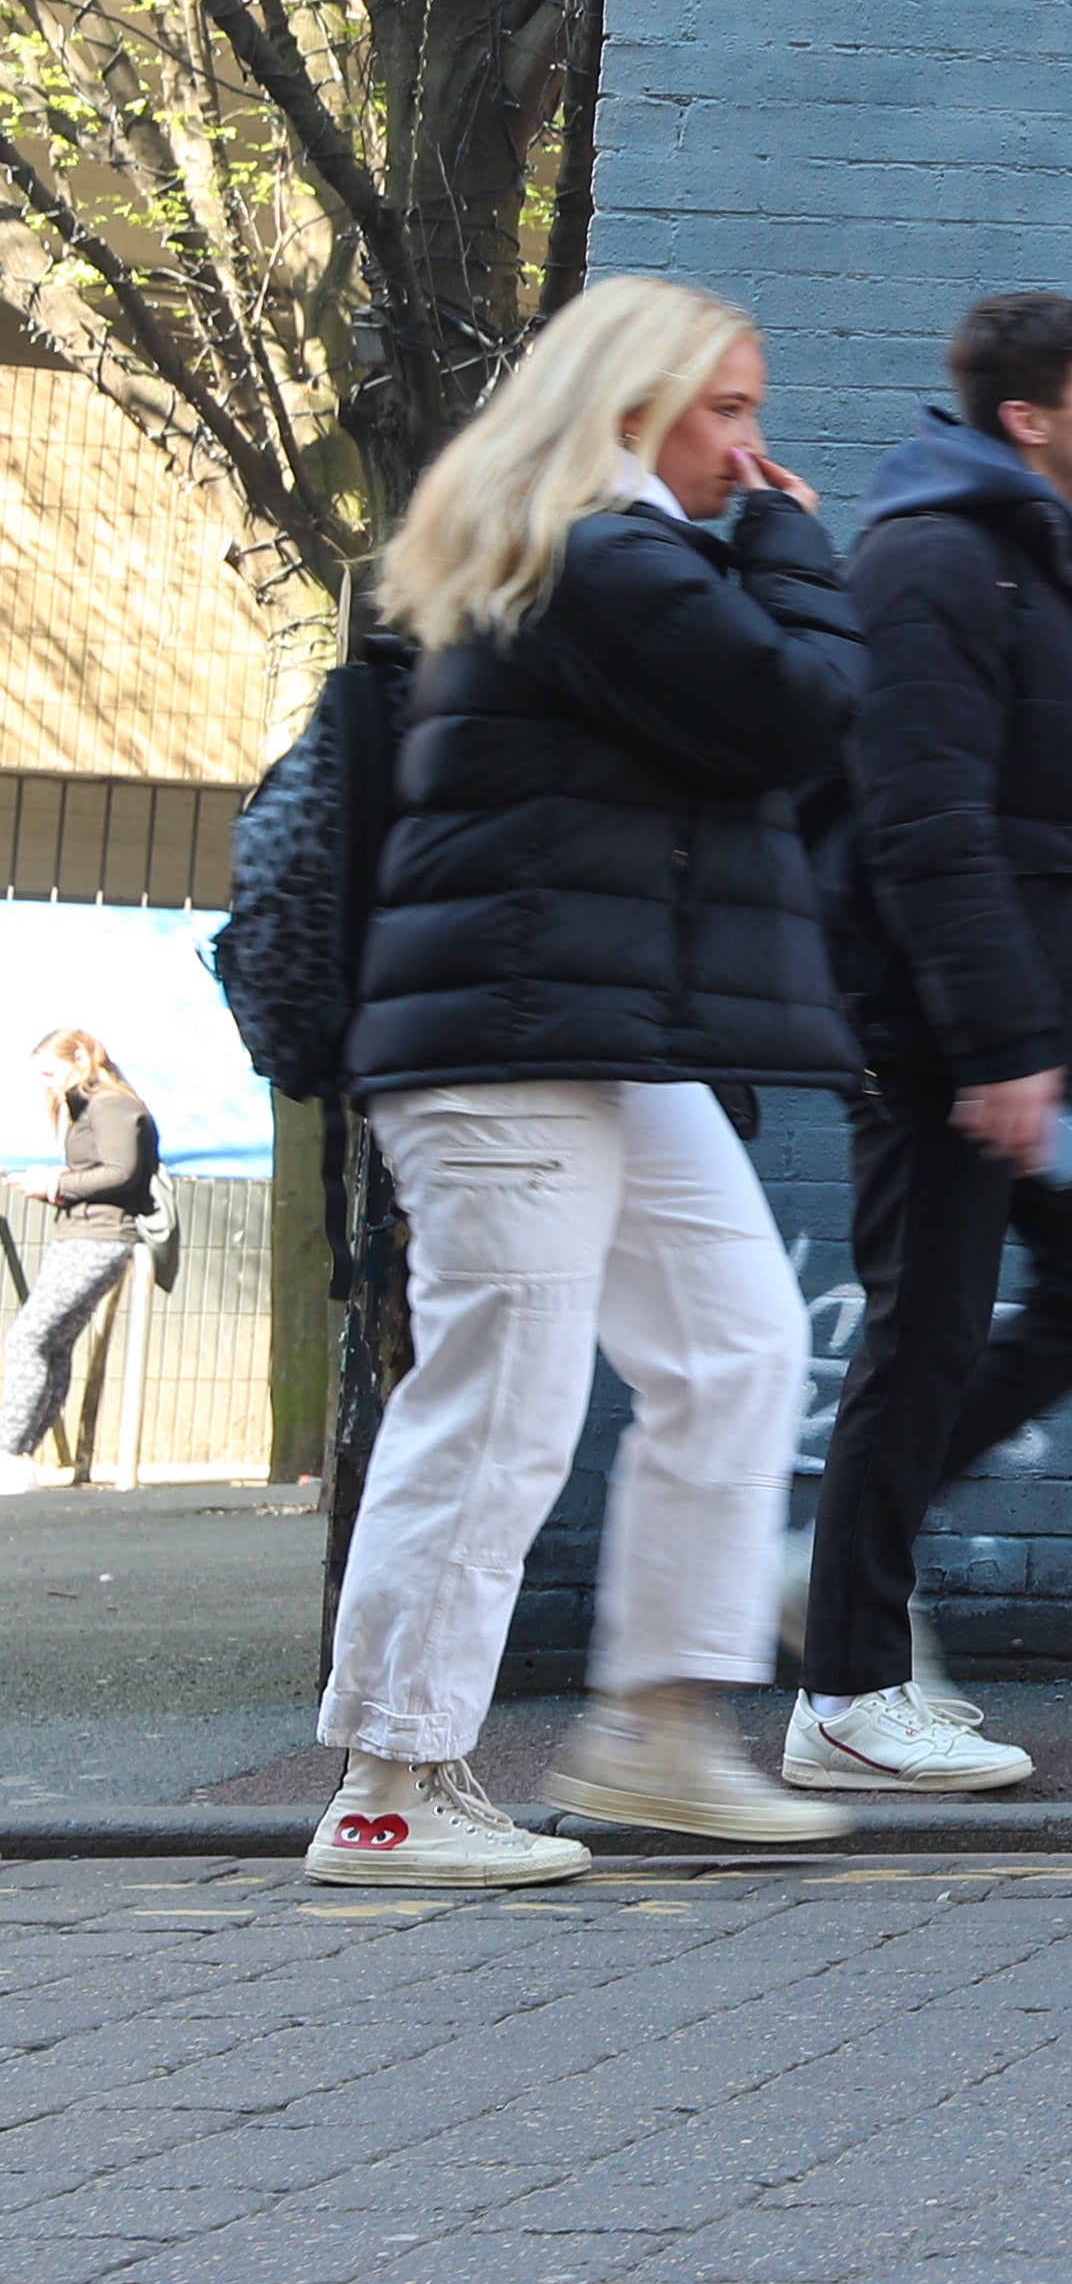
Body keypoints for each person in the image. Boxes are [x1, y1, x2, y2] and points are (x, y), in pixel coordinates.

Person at [317, 274, 869, 1886]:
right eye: (729, 411)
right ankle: (390, 1789)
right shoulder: (604, 554)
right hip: (509, 1046)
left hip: (600, 1036)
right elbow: (801, 711)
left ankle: (657, 1737)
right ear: (631, 413)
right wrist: (788, 543)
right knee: (502, 1402)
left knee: (740, 1346)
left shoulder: (604, 559)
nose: (753, 447)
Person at [798, 294, 1072, 1792]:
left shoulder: (1058, 562)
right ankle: (845, 1689)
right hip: (953, 1037)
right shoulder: (931, 566)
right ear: (1030, 420)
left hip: (1046, 1025)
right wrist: (995, 1048)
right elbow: (922, 827)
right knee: (920, 1341)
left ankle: (860, 1559)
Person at [0, 1026, 158, 1484]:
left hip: (98, 1237)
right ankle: (19, 1453)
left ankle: (11, 1449)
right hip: (83, 1233)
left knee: (29, 1339)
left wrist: (56, 1184)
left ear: (79, 1059)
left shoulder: (112, 1105)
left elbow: (120, 1171)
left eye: (51, 1072)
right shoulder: (95, 1106)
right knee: (51, 1343)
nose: (48, 1083)